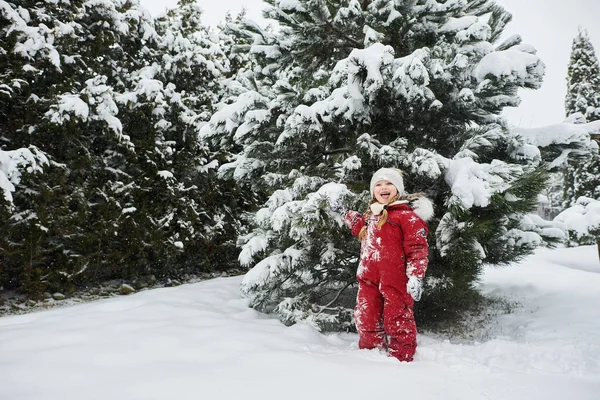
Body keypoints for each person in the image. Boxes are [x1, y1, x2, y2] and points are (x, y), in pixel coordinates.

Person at [342, 167, 433, 362]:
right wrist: (345, 214)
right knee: (366, 315)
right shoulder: (371, 214)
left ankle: (401, 357)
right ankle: (370, 353)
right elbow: (359, 226)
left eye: (389, 183)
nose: (384, 187)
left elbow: (417, 248)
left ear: (398, 189)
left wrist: (416, 275)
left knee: (398, 317)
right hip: (368, 277)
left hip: (396, 280)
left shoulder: (406, 216)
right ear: (373, 190)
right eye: (379, 184)